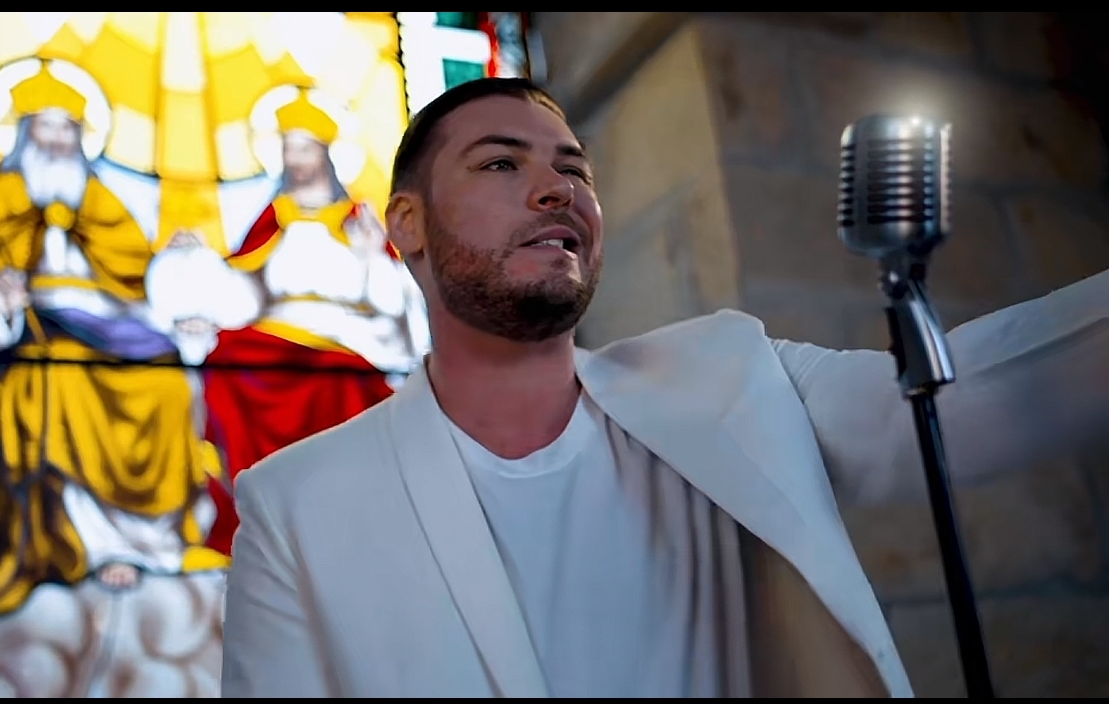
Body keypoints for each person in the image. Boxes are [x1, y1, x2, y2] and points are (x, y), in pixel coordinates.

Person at [220, 77, 1109, 697]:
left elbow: (981, 396)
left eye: (575, 169)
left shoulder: (731, 377)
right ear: (406, 225)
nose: (556, 189)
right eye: (501, 164)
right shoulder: (298, 505)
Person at [0, 65, 218, 630]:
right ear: (24, 133)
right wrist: (1, 304)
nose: (58, 141)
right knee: (51, 376)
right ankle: (84, 542)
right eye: (46, 128)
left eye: (68, 129)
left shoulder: (101, 200)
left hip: (110, 329)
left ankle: (148, 541)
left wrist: (175, 277)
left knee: (166, 383)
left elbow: (138, 281)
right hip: (34, 334)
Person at [145, 87, 430, 557]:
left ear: (327, 154)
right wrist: (196, 262)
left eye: (304, 149)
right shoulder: (271, 219)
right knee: (226, 363)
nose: (294, 160)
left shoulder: (359, 220)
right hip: (275, 332)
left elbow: (395, 299)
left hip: (347, 338)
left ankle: (342, 525)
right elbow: (243, 289)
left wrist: (368, 256)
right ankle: (255, 517)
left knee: (339, 382)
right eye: (287, 149)